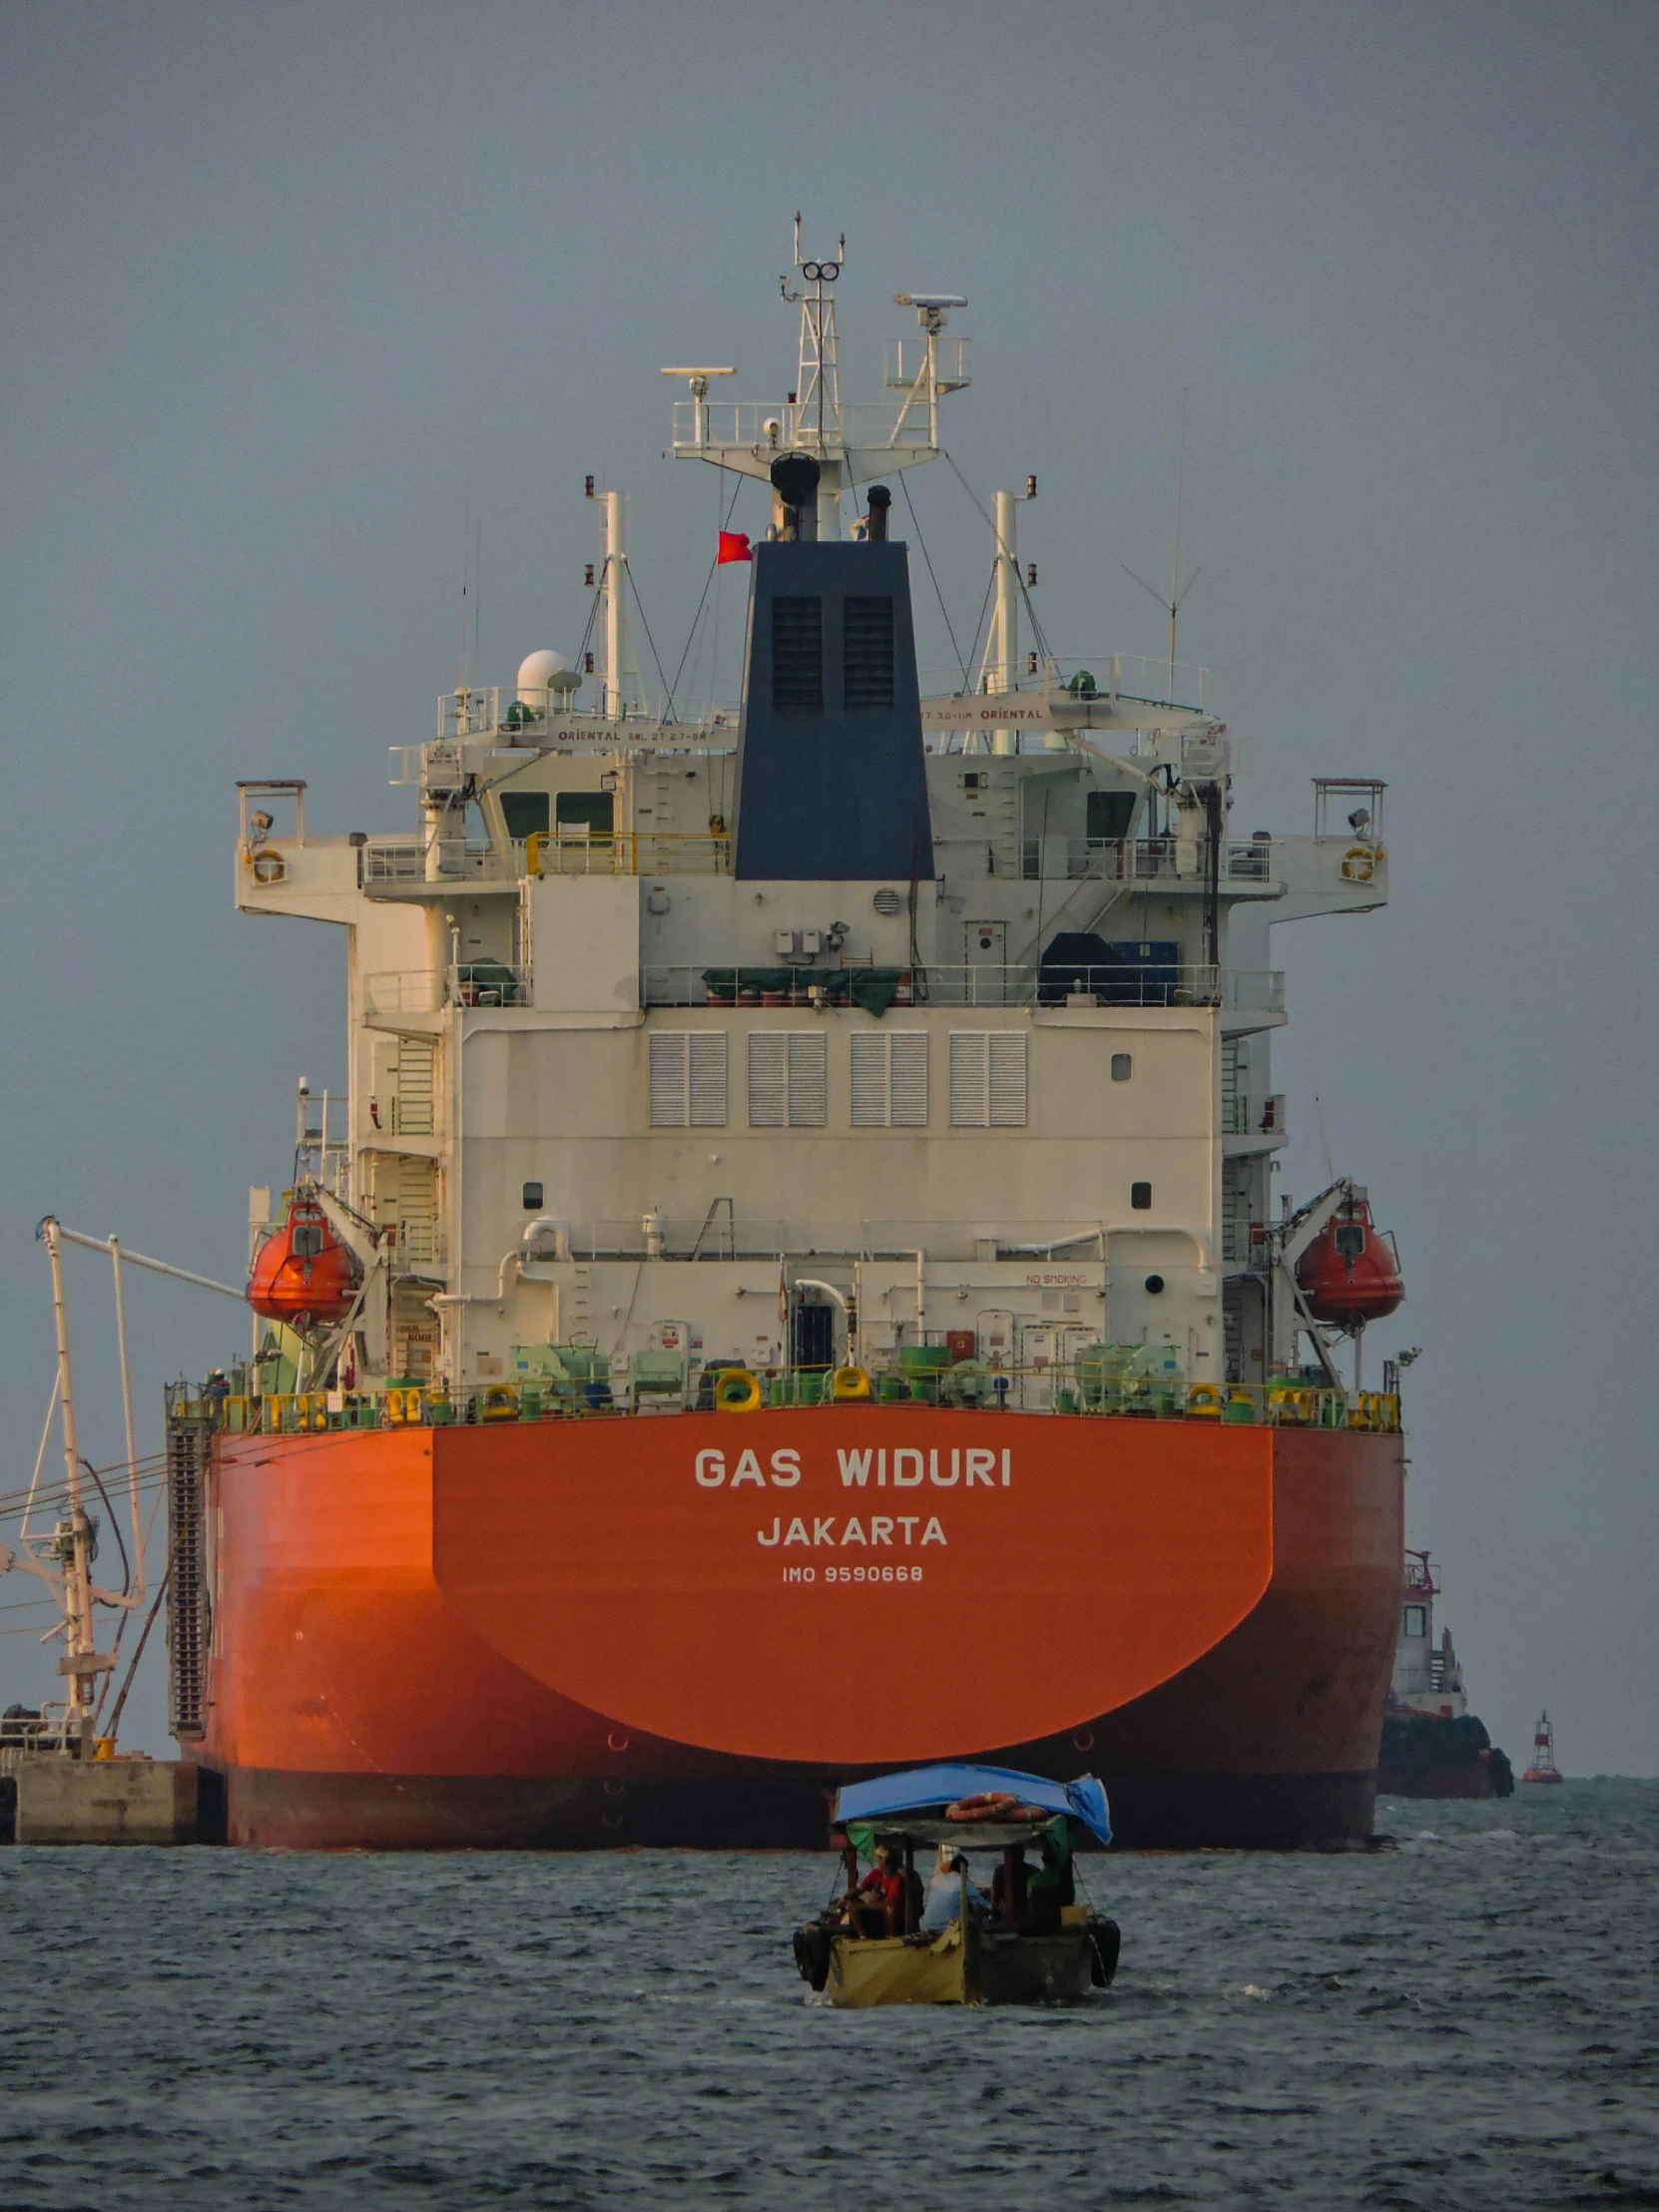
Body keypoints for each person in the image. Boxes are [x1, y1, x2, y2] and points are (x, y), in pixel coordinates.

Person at [921, 1846, 989, 1936]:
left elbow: (925, 1903)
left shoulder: (934, 1880)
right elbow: (985, 1905)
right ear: (965, 1870)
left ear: (950, 1868)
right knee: (974, 1919)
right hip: (949, 1929)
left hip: (926, 1926)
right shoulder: (964, 1883)